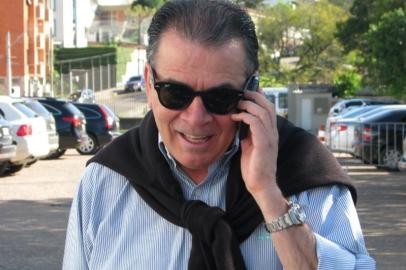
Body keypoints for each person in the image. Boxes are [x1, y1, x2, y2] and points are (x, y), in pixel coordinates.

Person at [63, 1, 375, 269]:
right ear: (148, 83)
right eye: (174, 92)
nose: (196, 118)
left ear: (252, 91)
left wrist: (268, 193)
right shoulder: (105, 181)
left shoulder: (306, 171)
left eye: (221, 98)